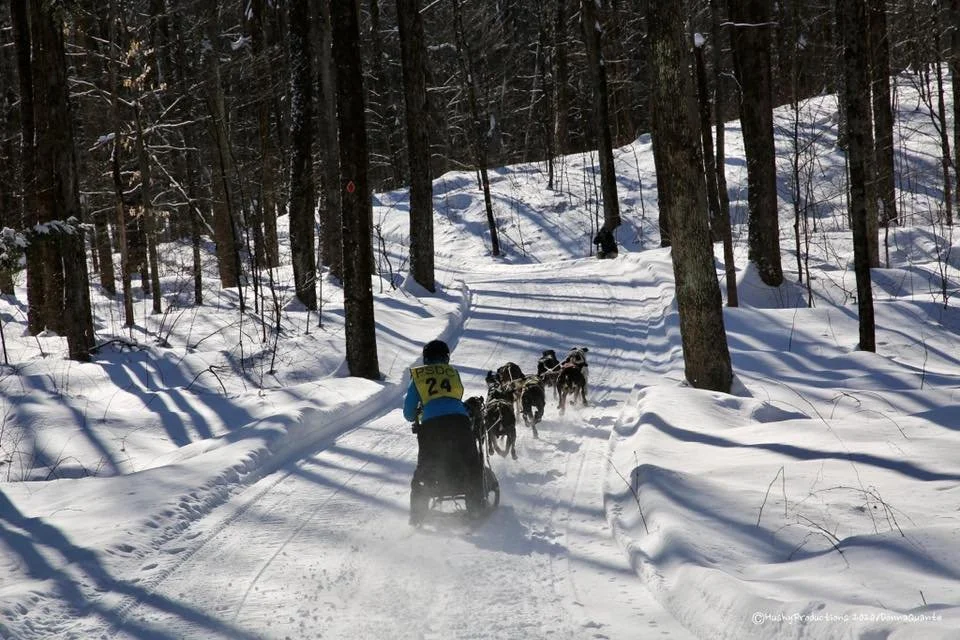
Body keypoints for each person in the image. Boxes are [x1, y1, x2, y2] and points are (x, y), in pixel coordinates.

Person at [403, 339, 483, 525]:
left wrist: (421, 411)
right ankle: (476, 506)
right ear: (446, 357)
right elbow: (456, 397)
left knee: (424, 468)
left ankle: (417, 514)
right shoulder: (452, 373)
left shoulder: (418, 376)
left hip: (431, 427)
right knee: (472, 463)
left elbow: (408, 413)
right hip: (459, 422)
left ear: (426, 358)